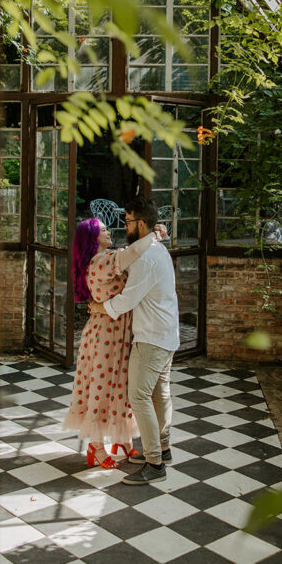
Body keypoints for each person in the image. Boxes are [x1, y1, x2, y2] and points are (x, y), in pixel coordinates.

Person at [90, 196, 179, 486]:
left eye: (128, 221)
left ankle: (154, 464)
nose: (124, 226)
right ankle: (163, 449)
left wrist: (100, 308)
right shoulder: (156, 249)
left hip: (151, 337)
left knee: (139, 396)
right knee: (158, 394)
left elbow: (128, 299)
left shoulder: (148, 258)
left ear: (140, 223)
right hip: (166, 335)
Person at [63, 216, 157, 469]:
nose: (108, 232)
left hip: (120, 331)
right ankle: (96, 445)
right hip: (106, 335)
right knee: (102, 388)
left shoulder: (107, 258)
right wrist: (154, 234)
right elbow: (135, 250)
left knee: (123, 386)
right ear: (91, 237)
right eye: (103, 229)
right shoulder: (100, 262)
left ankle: (122, 439)